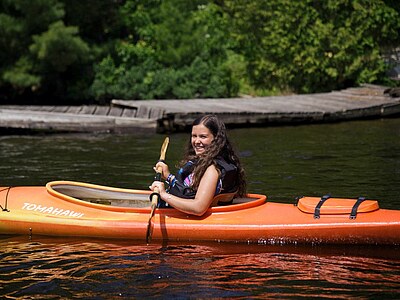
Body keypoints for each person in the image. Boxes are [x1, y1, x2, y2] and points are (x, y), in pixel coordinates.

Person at [149, 114, 246, 216]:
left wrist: (163, 195)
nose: (196, 141)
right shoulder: (205, 162)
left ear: (216, 139)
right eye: (194, 136)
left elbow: (198, 208)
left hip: (190, 216)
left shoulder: (212, 170)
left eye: (203, 136)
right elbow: (189, 193)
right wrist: (168, 176)